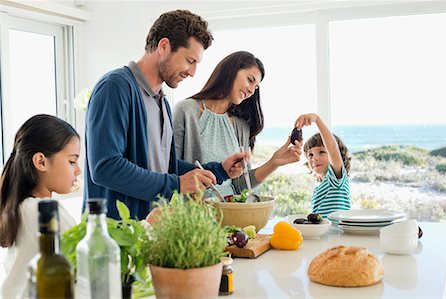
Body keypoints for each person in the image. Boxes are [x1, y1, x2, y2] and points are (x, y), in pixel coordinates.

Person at [84, 10, 246, 220]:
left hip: (150, 233)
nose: (192, 72)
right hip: (117, 239)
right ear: (164, 46)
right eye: (190, 60)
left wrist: (219, 170)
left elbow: (164, 167)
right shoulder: (115, 87)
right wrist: (177, 184)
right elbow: (105, 167)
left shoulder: (162, 102)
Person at [173, 51, 302, 197]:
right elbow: (169, 167)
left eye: (256, 87)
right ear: (232, 71)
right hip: (193, 216)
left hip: (232, 213)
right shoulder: (186, 111)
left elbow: (240, 184)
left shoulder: (240, 126)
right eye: (250, 80)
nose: (252, 91)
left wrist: (274, 163)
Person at [0, 114, 81, 298]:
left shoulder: (22, 207)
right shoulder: (42, 212)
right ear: (41, 162)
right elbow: (85, 260)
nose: (78, 170)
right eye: (72, 161)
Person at [295, 113, 351, 217]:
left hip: (336, 233)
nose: (314, 158)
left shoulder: (336, 180)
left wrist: (317, 120)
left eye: (321, 152)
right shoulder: (321, 187)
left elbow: (333, 150)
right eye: (310, 154)